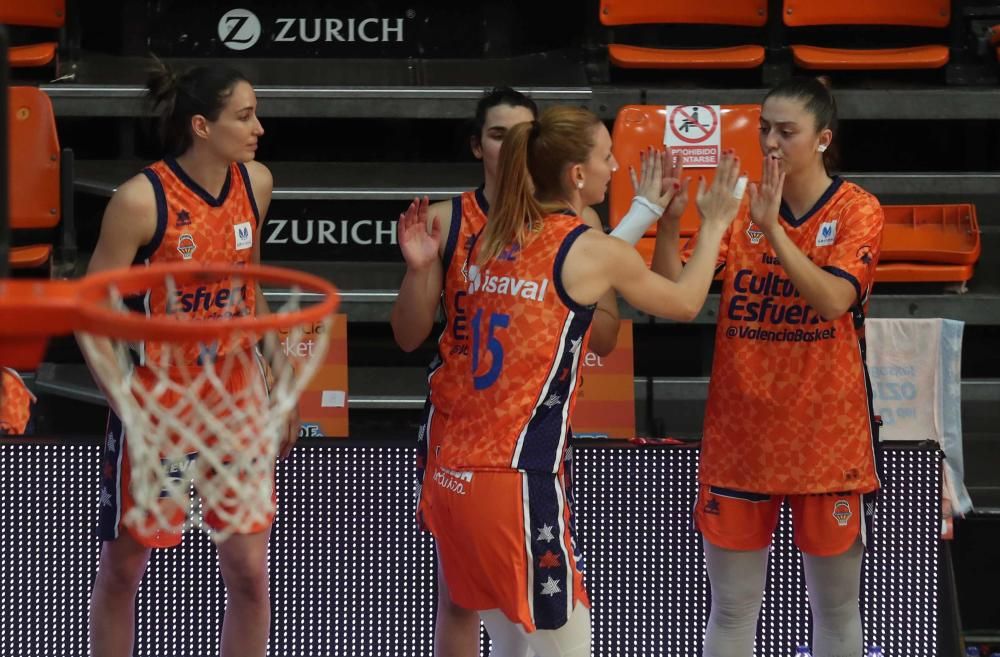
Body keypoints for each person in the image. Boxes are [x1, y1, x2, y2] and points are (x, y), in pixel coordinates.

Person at [417, 105, 744, 657]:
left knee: (514, 648)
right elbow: (686, 301)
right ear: (575, 174)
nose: (614, 166)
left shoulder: (495, 237)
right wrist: (713, 222)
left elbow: (579, 261)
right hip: (516, 480)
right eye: (605, 156)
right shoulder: (585, 250)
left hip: (451, 475)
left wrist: (646, 210)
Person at [652, 77, 885, 657]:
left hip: (826, 439)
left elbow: (833, 300)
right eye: (764, 129)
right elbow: (673, 294)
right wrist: (669, 219)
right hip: (741, 438)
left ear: (823, 139)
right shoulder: (736, 207)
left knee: (835, 611)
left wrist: (775, 231)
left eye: (787, 131)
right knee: (731, 609)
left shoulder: (859, 209)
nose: (771, 142)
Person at [85, 62, 277, 657]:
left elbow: (248, 287)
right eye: (244, 116)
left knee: (249, 569)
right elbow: (91, 311)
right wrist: (127, 405)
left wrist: (283, 378)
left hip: (237, 397)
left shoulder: (258, 183)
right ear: (201, 125)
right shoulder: (141, 202)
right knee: (126, 567)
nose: (259, 129)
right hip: (163, 398)